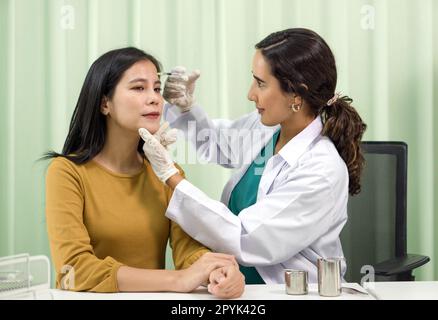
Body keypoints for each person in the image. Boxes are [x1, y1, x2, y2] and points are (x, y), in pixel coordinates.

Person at [138, 28, 367, 284]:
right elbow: (219, 144)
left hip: (288, 291)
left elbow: (245, 237)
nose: (250, 94)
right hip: (237, 284)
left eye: (261, 83)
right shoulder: (268, 128)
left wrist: (170, 176)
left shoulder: (321, 170)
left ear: (296, 95)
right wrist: (186, 107)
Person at [44, 47, 245, 298]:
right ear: (105, 103)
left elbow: (188, 248)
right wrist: (179, 279)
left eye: (157, 89)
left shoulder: (164, 173)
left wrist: (216, 270)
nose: (155, 99)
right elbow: (73, 269)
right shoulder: (67, 172)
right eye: (139, 88)